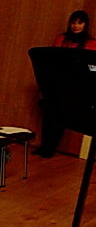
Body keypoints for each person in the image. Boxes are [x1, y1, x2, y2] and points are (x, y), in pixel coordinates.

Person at [35, 10, 96, 157]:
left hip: (75, 88)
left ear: (85, 25)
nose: (76, 25)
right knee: (49, 116)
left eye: (80, 22)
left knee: (61, 118)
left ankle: (50, 148)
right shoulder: (61, 38)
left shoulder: (91, 43)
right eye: (73, 22)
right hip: (56, 84)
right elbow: (52, 61)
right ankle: (45, 147)